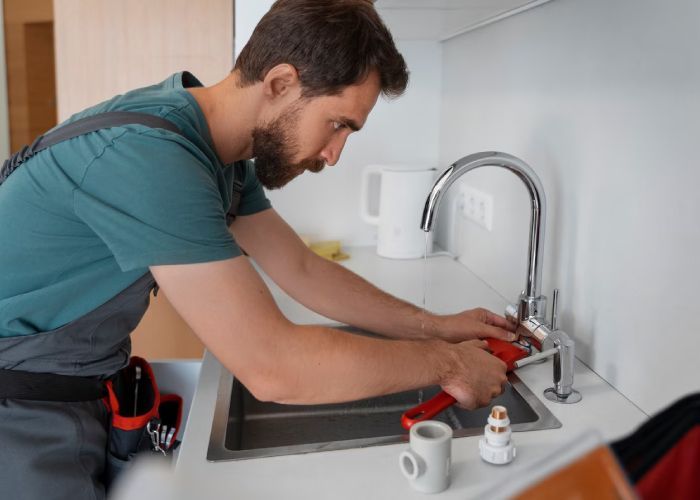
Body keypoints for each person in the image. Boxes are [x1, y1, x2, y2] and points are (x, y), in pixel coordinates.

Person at [0, 0, 514, 498]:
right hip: (18, 408)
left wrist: (437, 326)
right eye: (339, 124)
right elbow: (272, 366)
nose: (335, 154)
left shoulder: (213, 154)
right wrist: (447, 365)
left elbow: (301, 269)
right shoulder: (153, 158)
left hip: (67, 387)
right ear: (280, 83)